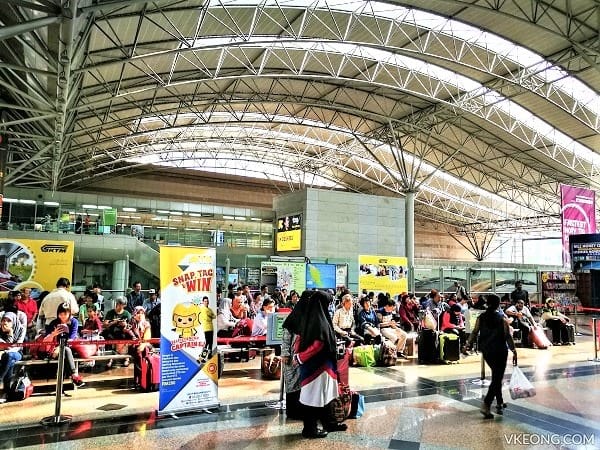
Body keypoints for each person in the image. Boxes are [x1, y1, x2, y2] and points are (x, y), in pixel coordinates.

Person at [293, 291, 346, 438]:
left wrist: (298, 357)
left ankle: (329, 423)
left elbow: (300, 339)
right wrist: (299, 358)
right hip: (316, 367)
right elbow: (318, 344)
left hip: (322, 367)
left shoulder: (312, 316)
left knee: (325, 396)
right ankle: (310, 429)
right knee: (313, 398)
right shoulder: (319, 319)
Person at [464, 294, 517, 419]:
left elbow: (475, 332)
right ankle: (486, 404)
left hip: (487, 351)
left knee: (496, 375)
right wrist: (514, 350)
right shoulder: (502, 319)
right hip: (500, 350)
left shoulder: (481, 317)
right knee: (497, 378)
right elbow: (508, 336)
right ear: (498, 304)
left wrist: (467, 345)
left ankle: (499, 401)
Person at [281, 291, 311, 420]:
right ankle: (292, 412)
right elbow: (286, 337)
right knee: (292, 383)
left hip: (303, 357)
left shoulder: (309, 316)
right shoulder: (293, 318)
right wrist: (285, 353)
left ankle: (301, 411)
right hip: (291, 356)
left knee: (302, 384)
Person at [43, 303, 85, 387]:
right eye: (60, 314)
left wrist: (60, 347)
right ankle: (74, 376)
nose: (62, 316)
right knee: (65, 352)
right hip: (54, 350)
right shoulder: (54, 323)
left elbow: (71, 339)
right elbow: (45, 341)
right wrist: (53, 334)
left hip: (69, 349)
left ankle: (62, 384)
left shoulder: (73, 322)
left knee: (66, 350)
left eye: (65, 314)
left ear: (69, 313)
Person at [102, 297, 133, 368]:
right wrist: (113, 322)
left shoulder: (127, 313)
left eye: (121, 304)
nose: (119, 305)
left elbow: (131, 326)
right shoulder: (110, 312)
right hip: (112, 332)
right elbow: (105, 324)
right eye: (118, 303)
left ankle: (126, 358)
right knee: (109, 336)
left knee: (126, 337)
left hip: (123, 332)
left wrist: (125, 324)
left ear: (124, 305)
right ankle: (110, 359)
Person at [0, 312, 25, 394]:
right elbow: (7, 345)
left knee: (9, 356)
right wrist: (10, 333)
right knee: (10, 360)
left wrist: (10, 332)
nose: (5, 322)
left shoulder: (21, 329)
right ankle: (7, 392)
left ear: (14, 321)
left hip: (17, 352)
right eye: (3, 320)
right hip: (3, 353)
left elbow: (18, 345)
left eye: (9, 321)